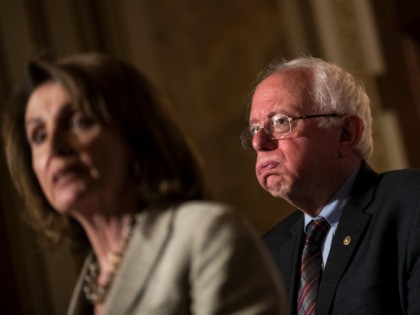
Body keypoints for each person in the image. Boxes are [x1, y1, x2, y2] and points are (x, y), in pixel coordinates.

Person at [2, 52, 287, 315]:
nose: (53, 148)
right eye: (38, 136)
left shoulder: (206, 236)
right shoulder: (88, 285)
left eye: (78, 123)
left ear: (135, 135)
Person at [239, 57, 420, 314]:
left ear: (346, 133)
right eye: (254, 128)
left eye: (280, 121)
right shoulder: (267, 254)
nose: (258, 142)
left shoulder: (410, 204)